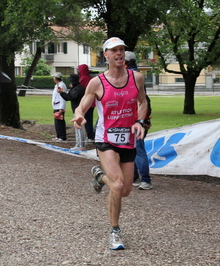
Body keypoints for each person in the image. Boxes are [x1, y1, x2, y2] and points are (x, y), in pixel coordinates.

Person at [71, 37, 148, 250]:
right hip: (105, 139)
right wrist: (79, 116)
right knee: (118, 184)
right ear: (105, 55)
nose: (119, 53)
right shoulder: (97, 83)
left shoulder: (137, 78)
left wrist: (140, 121)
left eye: (122, 49)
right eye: (114, 50)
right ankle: (115, 231)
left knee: (125, 190)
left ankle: (99, 176)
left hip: (128, 140)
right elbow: (81, 106)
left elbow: (143, 102)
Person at [124, 51, 153, 190]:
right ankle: (135, 177)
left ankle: (145, 179)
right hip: (137, 117)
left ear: (126, 62)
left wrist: (143, 119)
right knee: (133, 148)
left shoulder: (130, 76)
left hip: (134, 118)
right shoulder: (137, 75)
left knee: (137, 148)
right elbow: (146, 100)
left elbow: (142, 100)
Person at [58, 74, 85, 150]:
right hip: (77, 109)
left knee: (78, 127)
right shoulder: (76, 88)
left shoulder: (78, 88)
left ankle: (80, 145)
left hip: (78, 110)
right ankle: (81, 144)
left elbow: (70, 97)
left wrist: (61, 92)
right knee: (80, 127)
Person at [78, 64, 95, 141]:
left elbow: (80, 89)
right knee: (89, 119)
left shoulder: (83, 78)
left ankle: (90, 136)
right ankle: (90, 135)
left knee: (86, 119)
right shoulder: (90, 78)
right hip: (93, 102)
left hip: (87, 102)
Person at [52, 72, 67, 141]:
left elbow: (62, 97)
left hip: (59, 106)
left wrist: (61, 108)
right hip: (56, 106)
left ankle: (62, 136)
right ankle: (58, 135)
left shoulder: (61, 85)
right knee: (57, 122)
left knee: (60, 122)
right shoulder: (57, 85)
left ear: (55, 78)